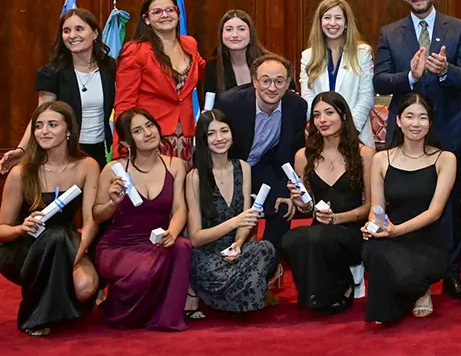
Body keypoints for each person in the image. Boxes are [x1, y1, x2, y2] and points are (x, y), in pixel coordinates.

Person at [374, 0, 461, 301]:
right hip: (405, 133)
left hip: (448, 128)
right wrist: (411, 78)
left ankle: (451, 274)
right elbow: (380, 81)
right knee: (404, 201)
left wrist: (446, 71)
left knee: (448, 207)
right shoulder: (390, 33)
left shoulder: (458, 28)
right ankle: (407, 270)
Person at [0, 102, 99, 336]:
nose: (43, 131)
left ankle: (62, 305)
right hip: (25, 246)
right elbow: (2, 229)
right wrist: (22, 229)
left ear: (68, 131)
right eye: (38, 126)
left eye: (52, 125)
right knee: (51, 236)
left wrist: (77, 255)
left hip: (68, 241)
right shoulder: (21, 172)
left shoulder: (87, 165)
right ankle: (34, 318)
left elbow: (90, 220)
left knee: (85, 286)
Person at [362, 92, 456, 323]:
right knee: (371, 248)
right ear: (398, 120)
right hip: (392, 240)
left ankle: (421, 288)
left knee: (405, 275)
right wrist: (373, 226)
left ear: (430, 122)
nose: (416, 124)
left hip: (429, 241)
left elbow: (435, 213)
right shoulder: (381, 159)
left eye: (422, 118)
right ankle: (406, 293)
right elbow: (377, 208)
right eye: (410, 116)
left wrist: (396, 230)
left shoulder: (445, 159)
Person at [94, 108, 192, 330]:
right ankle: (121, 310)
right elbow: (97, 215)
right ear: (127, 142)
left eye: (149, 125)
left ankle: (166, 318)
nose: (148, 133)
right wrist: (112, 202)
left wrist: (173, 232)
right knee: (145, 269)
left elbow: (179, 208)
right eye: (138, 130)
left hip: (157, 241)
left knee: (182, 246)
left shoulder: (175, 165)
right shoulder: (113, 169)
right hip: (119, 246)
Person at [281, 92, 374, 314]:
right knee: (290, 239)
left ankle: (340, 288)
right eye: (316, 115)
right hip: (320, 228)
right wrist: (300, 202)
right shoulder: (303, 156)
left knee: (319, 237)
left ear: (343, 115)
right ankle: (322, 293)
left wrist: (337, 219)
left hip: (353, 230)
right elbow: (307, 207)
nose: (322, 120)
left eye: (329, 113)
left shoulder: (365, 155)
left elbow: (371, 206)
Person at [184, 110, 275, 318]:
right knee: (215, 272)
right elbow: (196, 238)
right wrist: (235, 222)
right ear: (203, 140)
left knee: (266, 249)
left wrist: (239, 243)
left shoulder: (243, 168)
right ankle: (244, 294)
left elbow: (246, 220)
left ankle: (237, 295)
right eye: (211, 134)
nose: (219, 138)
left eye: (224, 131)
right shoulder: (195, 177)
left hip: (236, 251)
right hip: (208, 256)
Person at [2, 8, 116, 174]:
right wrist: (22, 150)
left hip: (102, 151)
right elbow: (40, 116)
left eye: (79, 29)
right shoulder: (52, 73)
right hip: (63, 152)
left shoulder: (109, 67)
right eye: (66, 31)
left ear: (95, 33)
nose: (72, 35)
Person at [217, 54, 307, 253]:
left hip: (265, 167)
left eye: (279, 81)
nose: (272, 88)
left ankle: (266, 259)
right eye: (266, 81)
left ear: (288, 84)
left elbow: (295, 152)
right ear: (255, 82)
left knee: (282, 205)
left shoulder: (297, 106)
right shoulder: (230, 103)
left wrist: (290, 190)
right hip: (230, 167)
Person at [114, 0, 205, 167]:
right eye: (157, 12)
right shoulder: (135, 51)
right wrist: (122, 147)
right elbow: (124, 103)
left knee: (182, 189)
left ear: (178, 14)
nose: (165, 15)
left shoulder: (190, 44)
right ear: (146, 19)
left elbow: (203, 72)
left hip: (185, 136)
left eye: (170, 10)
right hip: (151, 137)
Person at [300, 0, 375, 147]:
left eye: (338, 18)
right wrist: (322, 126)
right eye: (327, 18)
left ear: (346, 23)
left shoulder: (362, 53)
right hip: (321, 137)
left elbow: (366, 97)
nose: (332, 23)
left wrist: (348, 130)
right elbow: (308, 98)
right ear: (320, 23)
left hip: (356, 137)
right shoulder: (308, 56)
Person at [204, 10, 270, 107]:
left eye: (241, 29)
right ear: (221, 35)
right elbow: (210, 106)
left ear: (251, 34)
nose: (235, 35)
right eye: (229, 29)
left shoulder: (269, 63)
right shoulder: (213, 66)